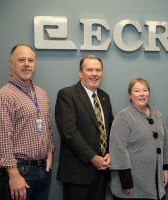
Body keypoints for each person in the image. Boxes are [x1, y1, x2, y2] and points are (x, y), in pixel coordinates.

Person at [0, 44, 55, 200]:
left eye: (30, 60)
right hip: (19, 171)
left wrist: (49, 152)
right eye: (21, 60)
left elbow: (47, 126)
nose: (27, 64)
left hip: (42, 170)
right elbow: (1, 140)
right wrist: (13, 174)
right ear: (11, 63)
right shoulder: (3, 97)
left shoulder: (41, 93)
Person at [55, 55, 114, 200]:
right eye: (89, 70)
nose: (94, 74)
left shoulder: (104, 97)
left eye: (98, 70)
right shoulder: (67, 94)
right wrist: (93, 158)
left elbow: (111, 129)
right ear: (80, 73)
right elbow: (69, 132)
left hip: (102, 171)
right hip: (77, 173)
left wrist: (110, 153)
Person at [109, 78, 168, 200]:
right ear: (130, 96)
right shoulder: (124, 117)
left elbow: (166, 144)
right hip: (131, 187)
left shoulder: (157, 114)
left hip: (156, 184)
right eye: (137, 91)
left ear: (149, 94)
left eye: (145, 90)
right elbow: (118, 149)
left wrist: (166, 168)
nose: (141, 94)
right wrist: (126, 180)